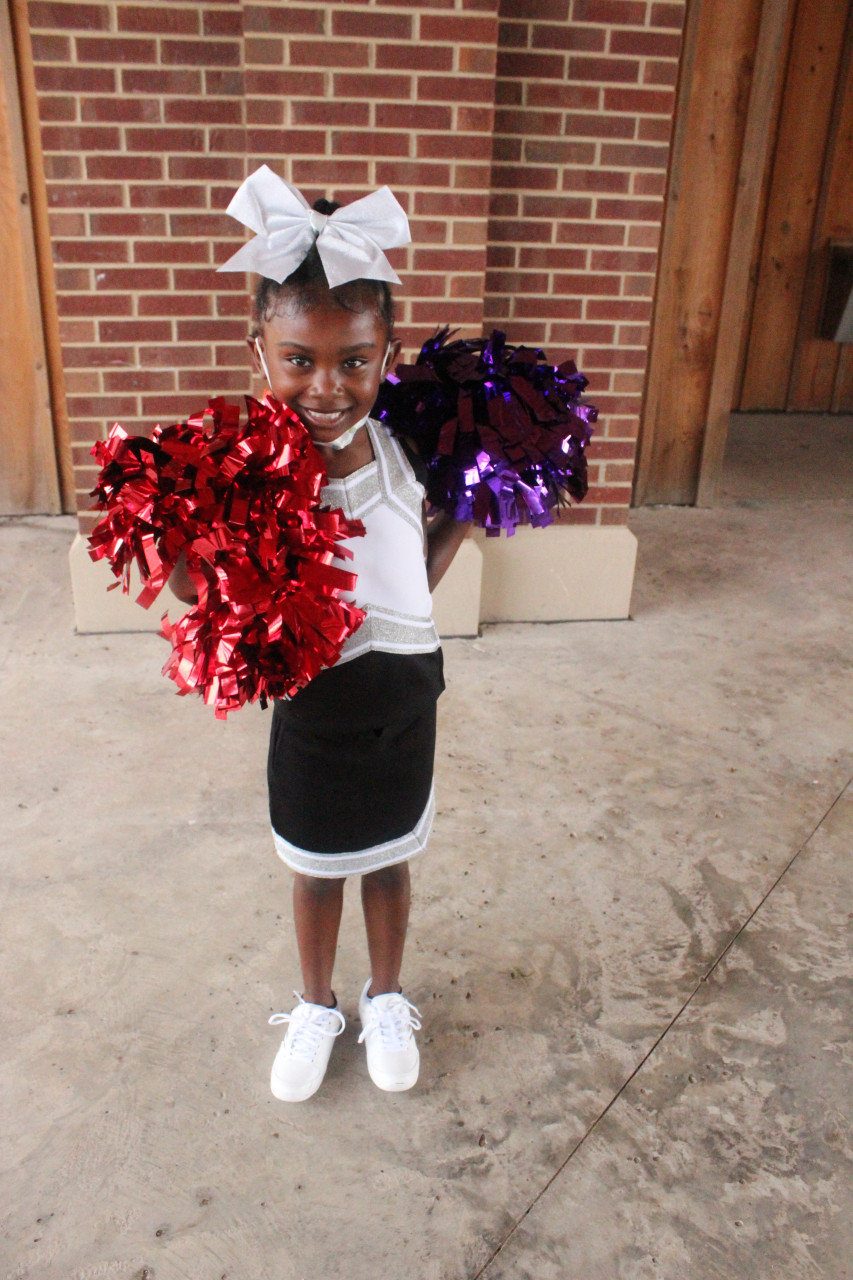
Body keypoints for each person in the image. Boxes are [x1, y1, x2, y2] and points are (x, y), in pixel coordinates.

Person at [170, 169, 470, 1101]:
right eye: (299, 359)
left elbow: (411, 566)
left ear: (387, 352)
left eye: (354, 360)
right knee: (313, 869)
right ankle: (314, 1006)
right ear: (258, 351)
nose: (327, 385)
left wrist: (470, 505)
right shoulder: (244, 468)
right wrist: (180, 546)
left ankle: (385, 994)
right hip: (312, 706)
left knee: (388, 858)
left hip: (407, 701)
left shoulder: (409, 449)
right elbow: (198, 589)